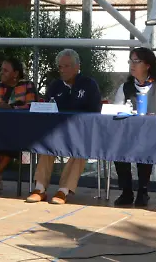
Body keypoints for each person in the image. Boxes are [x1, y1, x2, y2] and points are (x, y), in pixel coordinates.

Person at [26, 49, 102, 205]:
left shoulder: (89, 85)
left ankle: (64, 190)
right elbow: (48, 108)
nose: (63, 70)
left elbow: (95, 112)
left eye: (66, 66)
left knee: (82, 148)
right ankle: (39, 188)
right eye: (60, 67)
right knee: (46, 141)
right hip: (58, 130)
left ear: (77, 66)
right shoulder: (55, 86)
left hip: (81, 132)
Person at [112, 47, 156, 207]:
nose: (132, 65)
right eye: (130, 61)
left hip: (155, 137)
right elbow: (117, 111)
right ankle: (126, 191)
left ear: (148, 65)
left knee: (145, 147)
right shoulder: (125, 87)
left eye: (136, 61)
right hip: (129, 136)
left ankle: (143, 190)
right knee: (117, 148)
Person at [0, 57, 37, 193]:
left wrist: (11, 108)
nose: (1, 73)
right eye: (1, 70)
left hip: (20, 129)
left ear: (16, 74)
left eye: (5, 70)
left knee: (7, 140)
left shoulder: (27, 86)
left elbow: (33, 106)